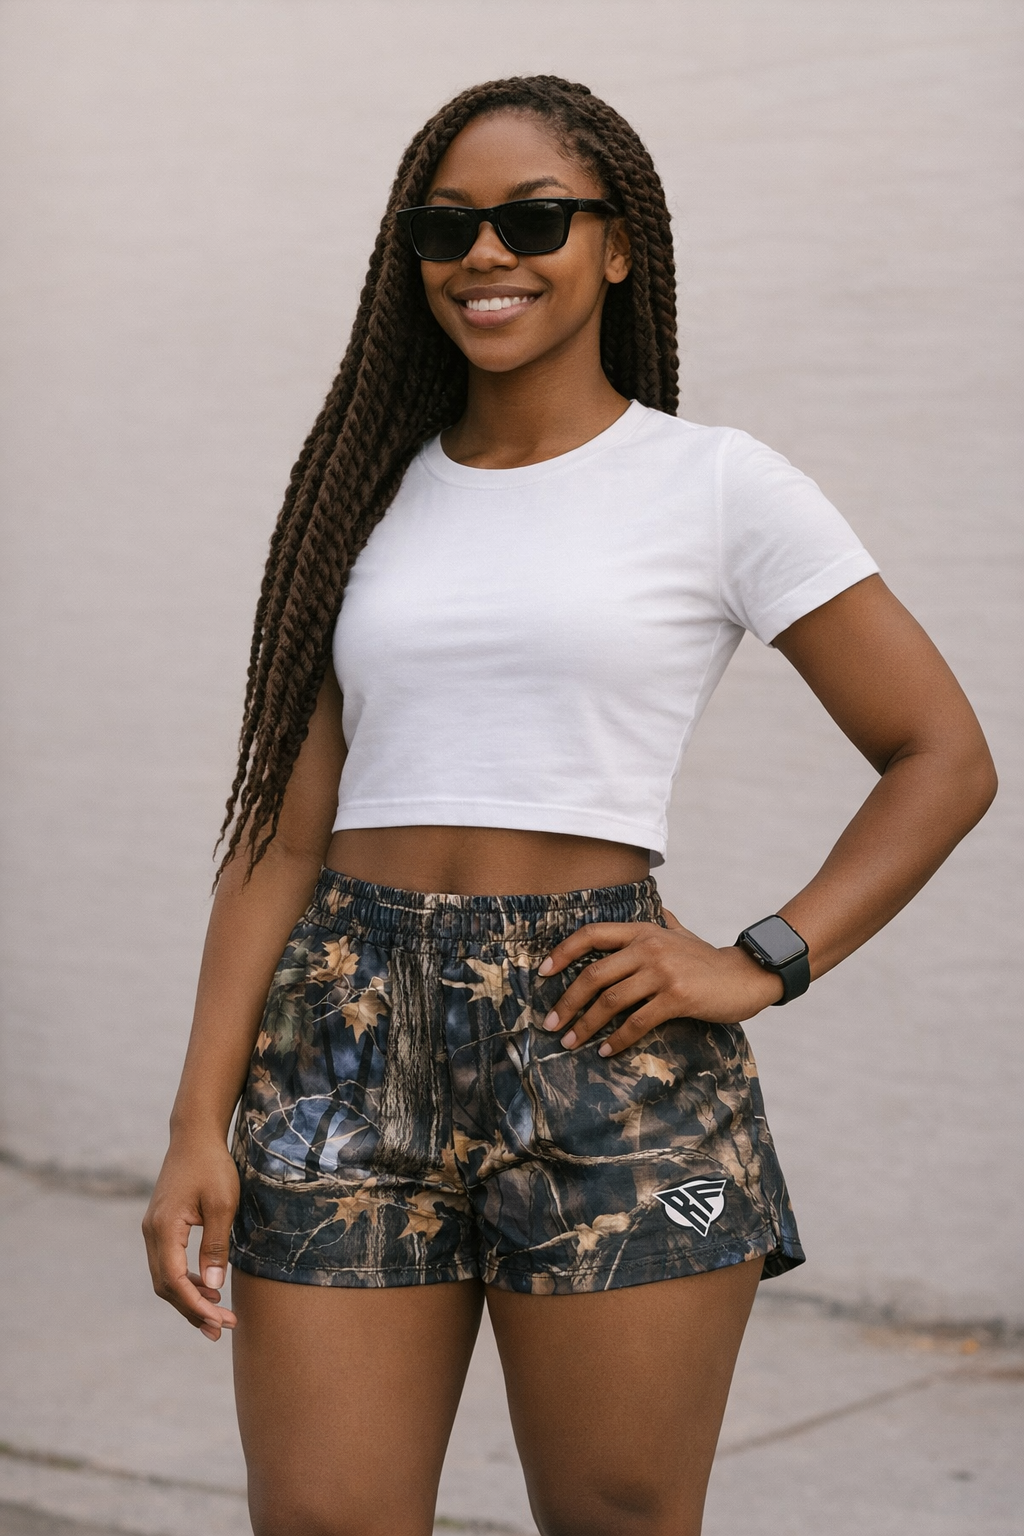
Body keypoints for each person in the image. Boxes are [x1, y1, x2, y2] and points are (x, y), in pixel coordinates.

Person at [142, 75, 996, 1536]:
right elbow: (285, 837)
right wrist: (194, 1123)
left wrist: (763, 958)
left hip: (606, 1042)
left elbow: (942, 755)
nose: (488, 254)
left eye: (535, 218)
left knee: (618, 1516)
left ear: (615, 246)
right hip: (343, 1036)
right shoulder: (358, 495)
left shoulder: (718, 487)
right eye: (447, 225)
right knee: (325, 1517)